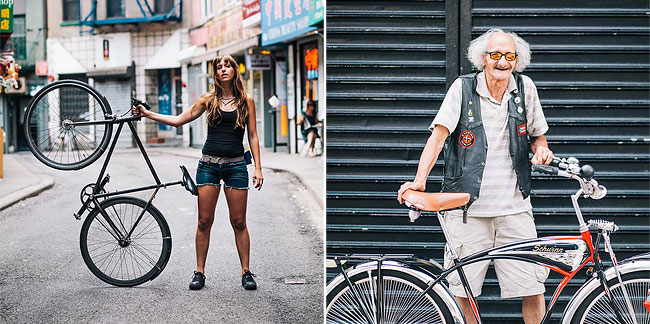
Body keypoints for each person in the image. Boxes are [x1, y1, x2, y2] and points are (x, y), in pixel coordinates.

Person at [397, 28, 554, 324]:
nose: (502, 61)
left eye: (509, 55)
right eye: (495, 55)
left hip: (515, 209)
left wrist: (542, 149)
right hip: (468, 211)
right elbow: (438, 137)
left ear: (517, 60)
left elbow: (538, 136)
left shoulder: (526, 88)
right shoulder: (463, 88)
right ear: (483, 59)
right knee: (463, 290)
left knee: (533, 288)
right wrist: (420, 180)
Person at [132, 55, 263, 291]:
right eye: (219, 67)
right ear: (215, 73)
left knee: (239, 222)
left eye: (228, 66)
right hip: (208, 166)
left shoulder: (246, 101)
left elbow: (252, 135)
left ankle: (246, 272)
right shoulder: (208, 99)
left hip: (236, 167)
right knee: (204, 221)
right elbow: (178, 120)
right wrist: (147, 114)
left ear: (235, 70)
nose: (223, 70)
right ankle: (200, 272)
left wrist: (258, 168)